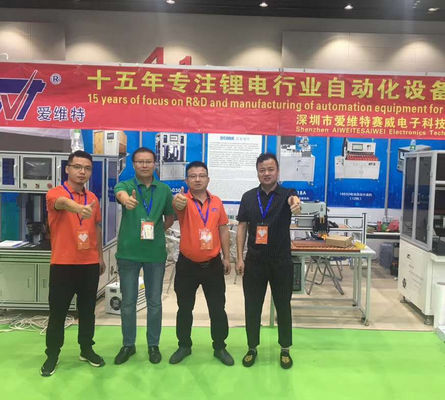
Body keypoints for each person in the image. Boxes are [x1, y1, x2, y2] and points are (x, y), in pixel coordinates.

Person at [41, 150, 106, 377]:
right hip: (63, 265)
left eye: (87, 168)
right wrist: (78, 208)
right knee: (58, 312)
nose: (82, 172)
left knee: (88, 311)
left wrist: (100, 256)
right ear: (67, 169)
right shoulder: (55, 193)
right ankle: (52, 354)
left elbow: (96, 228)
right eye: (77, 167)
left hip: (89, 264)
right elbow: (61, 203)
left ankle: (86, 349)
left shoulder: (93, 198)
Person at [236, 152, 301, 369]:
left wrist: (296, 203)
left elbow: (294, 200)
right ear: (257, 172)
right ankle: (252, 346)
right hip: (254, 262)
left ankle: (285, 348)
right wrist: (239, 258)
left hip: (281, 261)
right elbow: (242, 227)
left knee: (283, 305)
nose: (266, 173)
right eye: (262, 170)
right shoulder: (248, 197)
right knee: (252, 306)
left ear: (277, 171)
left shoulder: (287, 194)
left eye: (270, 169)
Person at [169, 161, 234, 366]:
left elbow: (223, 229)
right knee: (184, 308)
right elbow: (176, 206)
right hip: (187, 265)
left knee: (217, 308)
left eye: (201, 175)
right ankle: (184, 345)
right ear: (187, 180)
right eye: (193, 176)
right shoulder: (183, 200)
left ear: (208, 179)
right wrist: (177, 202)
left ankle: (220, 346)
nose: (197, 179)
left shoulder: (217, 202)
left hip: (212, 265)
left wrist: (226, 257)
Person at [114, 147, 174, 365]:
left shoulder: (164, 190)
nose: (144, 165)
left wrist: (155, 232)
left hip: (155, 254)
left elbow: (170, 218)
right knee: (128, 302)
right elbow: (120, 194)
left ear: (155, 164)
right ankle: (128, 344)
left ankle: (153, 345)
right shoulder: (125, 186)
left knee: (154, 302)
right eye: (140, 161)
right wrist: (126, 201)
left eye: (148, 161)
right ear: (134, 164)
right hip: (128, 253)